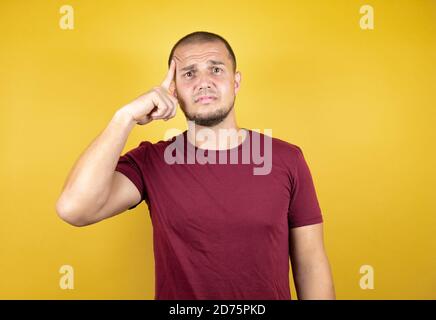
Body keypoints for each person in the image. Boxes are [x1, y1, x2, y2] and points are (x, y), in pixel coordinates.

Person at [56, 31, 335, 300]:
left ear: (236, 82)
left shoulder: (287, 159)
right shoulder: (151, 162)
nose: (204, 82)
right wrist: (124, 117)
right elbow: (74, 209)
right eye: (189, 73)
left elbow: (311, 263)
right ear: (173, 90)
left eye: (216, 70)